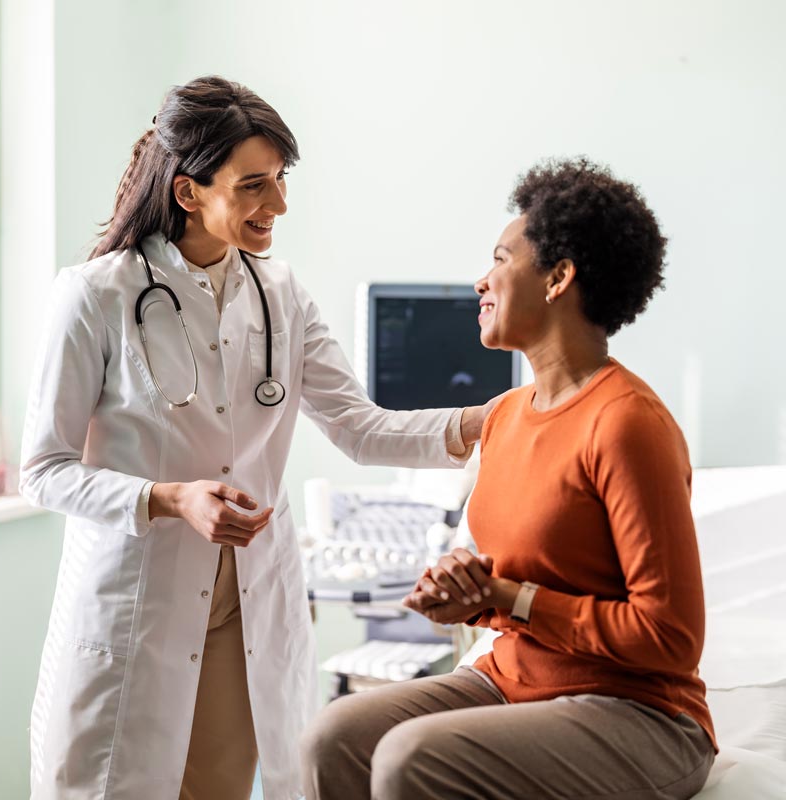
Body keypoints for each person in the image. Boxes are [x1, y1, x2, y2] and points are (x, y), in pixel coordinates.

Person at [19, 75, 495, 800]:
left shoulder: (281, 294)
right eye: (252, 186)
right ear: (188, 193)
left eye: (279, 181)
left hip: (244, 609)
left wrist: (492, 420)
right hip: (138, 607)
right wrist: (170, 498)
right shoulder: (96, 296)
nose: (277, 205)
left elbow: (362, 430)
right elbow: (44, 471)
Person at [300, 158, 717, 800]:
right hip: (514, 679)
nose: (480, 281)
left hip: (639, 711)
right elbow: (517, 569)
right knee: (332, 737)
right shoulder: (505, 417)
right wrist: (467, 587)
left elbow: (672, 639)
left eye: (499, 259)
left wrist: (510, 598)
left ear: (559, 278)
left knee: (411, 758)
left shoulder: (628, 424)